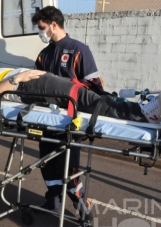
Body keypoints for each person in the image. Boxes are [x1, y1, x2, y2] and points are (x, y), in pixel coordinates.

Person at [31, 6, 108, 213]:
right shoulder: (43, 55)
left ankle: (81, 207)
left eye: (41, 27)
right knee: (47, 165)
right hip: (47, 121)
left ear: (53, 25)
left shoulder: (78, 50)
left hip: (70, 121)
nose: (39, 32)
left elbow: (95, 88)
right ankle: (53, 202)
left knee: (70, 168)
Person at [0, 64, 161, 124]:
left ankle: (145, 107)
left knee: (86, 94)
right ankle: (142, 113)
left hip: (33, 82)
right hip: (25, 87)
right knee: (82, 98)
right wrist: (17, 79)